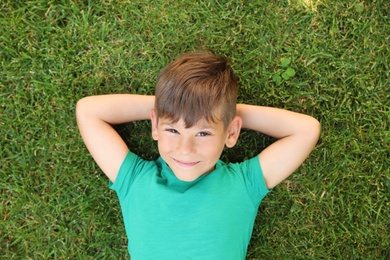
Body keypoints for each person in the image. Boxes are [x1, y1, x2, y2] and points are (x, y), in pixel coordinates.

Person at [76, 50, 320, 259]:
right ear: (155, 125)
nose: (185, 149)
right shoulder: (135, 180)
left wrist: (222, 112)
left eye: (203, 133)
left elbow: (306, 130)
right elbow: (88, 111)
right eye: (172, 129)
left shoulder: (244, 184)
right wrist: (175, 105)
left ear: (231, 132)